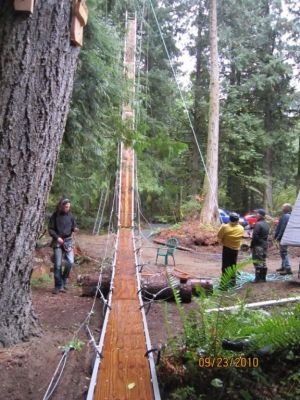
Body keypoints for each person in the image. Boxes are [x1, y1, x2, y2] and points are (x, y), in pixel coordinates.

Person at [48, 198, 77, 294]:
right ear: (61, 206)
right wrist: (57, 238)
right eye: (65, 207)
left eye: (68, 207)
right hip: (57, 242)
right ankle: (58, 286)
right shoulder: (55, 216)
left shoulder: (71, 216)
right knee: (58, 265)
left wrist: (75, 229)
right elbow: (50, 229)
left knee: (70, 262)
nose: (67, 208)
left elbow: (72, 227)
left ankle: (63, 282)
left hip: (68, 242)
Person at [217, 212, 244, 287]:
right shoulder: (241, 228)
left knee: (225, 266)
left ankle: (224, 285)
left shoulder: (225, 227)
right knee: (233, 265)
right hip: (236, 250)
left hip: (227, 248)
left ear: (230, 219)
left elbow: (219, 237)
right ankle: (232, 283)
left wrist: (222, 227)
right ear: (237, 220)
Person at [250, 209, 270, 282]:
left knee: (257, 261)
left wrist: (252, 246)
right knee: (263, 261)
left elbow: (255, 236)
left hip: (258, 245)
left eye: (256, 214)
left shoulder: (258, 224)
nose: (255, 215)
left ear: (260, 215)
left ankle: (257, 278)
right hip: (264, 244)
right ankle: (263, 278)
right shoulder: (266, 224)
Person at [274, 203, 292, 275]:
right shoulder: (286, 215)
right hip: (284, 236)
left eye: (283, 207)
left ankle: (287, 268)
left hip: (283, 237)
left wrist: (278, 236)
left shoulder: (286, 216)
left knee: (284, 252)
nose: (282, 208)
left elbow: (283, 228)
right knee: (282, 252)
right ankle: (283, 266)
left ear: (287, 208)